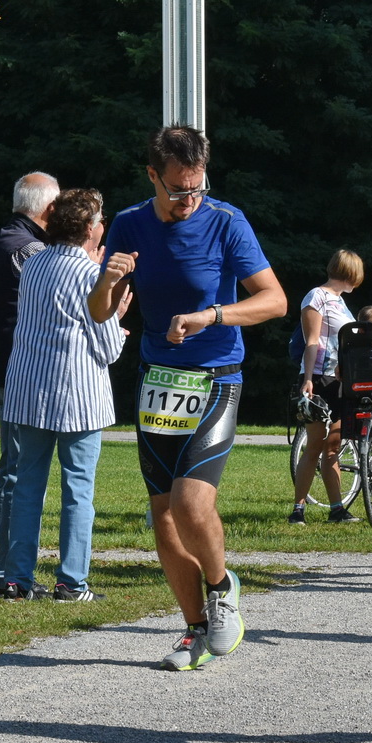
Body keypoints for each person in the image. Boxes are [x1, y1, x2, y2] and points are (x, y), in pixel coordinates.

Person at [88, 126, 286, 671]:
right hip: (159, 382)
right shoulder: (129, 224)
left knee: (190, 503)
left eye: (196, 188)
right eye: (178, 190)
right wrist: (107, 281)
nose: (188, 200)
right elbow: (101, 311)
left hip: (218, 376)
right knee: (163, 516)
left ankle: (223, 589)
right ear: (153, 175)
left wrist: (212, 315)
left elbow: (274, 300)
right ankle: (194, 630)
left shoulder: (226, 221)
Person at [0, 189, 128, 601]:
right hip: (78, 395)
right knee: (78, 491)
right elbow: (108, 348)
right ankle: (71, 582)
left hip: (30, 389)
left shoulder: (34, 264)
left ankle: (17, 578)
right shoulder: (91, 274)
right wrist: (117, 318)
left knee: (27, 487)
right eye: (100, 219)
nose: (103, 225)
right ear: (90, 229)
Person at [0, 172, 60, 596]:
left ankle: (1, 570)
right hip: (20, 374)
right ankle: (2, 573)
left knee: (15, 468)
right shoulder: (30, 249)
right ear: (48, 208)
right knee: (18, 473)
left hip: (3, 370)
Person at [289, 250, 364, 524]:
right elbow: (312, 341)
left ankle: (337, 509)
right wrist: (307, 378)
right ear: (350, 273)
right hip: (319, 377)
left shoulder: (341, 303)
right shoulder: (316, 296)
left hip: (339, 380)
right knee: (314, 444)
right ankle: (298, 509)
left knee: (333, 446)